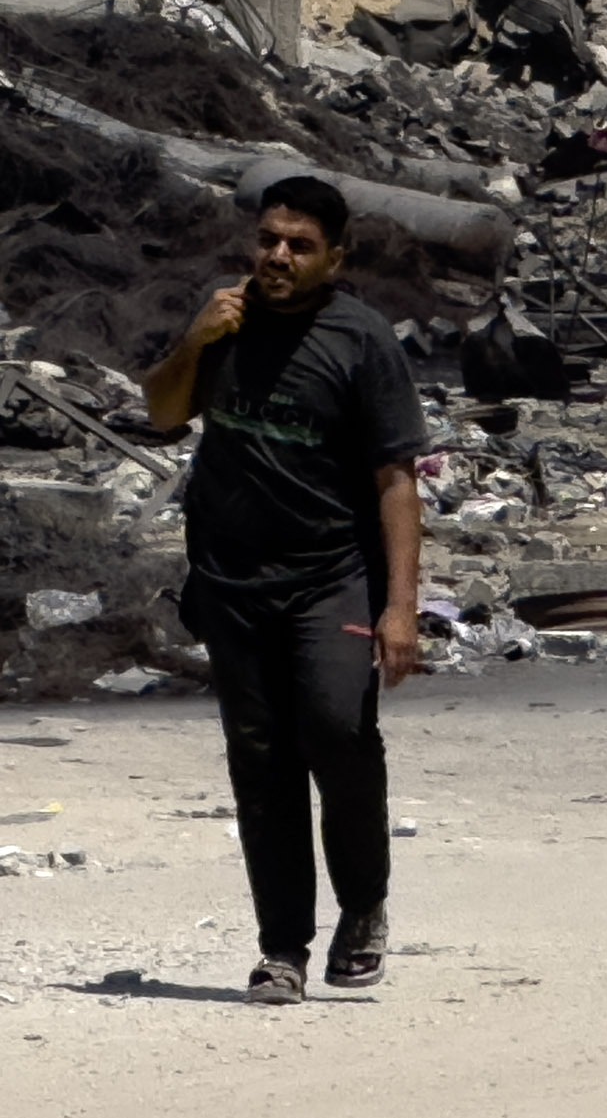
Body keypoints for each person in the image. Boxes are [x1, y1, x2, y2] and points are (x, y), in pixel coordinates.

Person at [138, 176, 430, 1003]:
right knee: (260, 763)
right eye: (269, 239)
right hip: (231, 582)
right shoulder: (224, 316)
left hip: (330, 578)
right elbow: (162, 413)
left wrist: (400, 607)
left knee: (337, 731)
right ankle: (283, 951)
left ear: (334, 259)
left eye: (300, 246)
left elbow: (396, 481)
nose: (277, 256)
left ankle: (363, 904)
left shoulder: (361, 341)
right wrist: (195, 342)